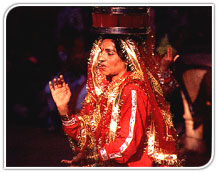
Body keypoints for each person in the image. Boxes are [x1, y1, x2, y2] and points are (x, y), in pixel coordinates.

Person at [49, 34, 181, 167]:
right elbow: (86, 135)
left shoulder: (133, 91)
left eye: (109, 53)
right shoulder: (106, 91)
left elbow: (128, 143)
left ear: (127, 60)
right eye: (100, 52)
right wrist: (63, 108)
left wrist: (94, 156)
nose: (101, 58)